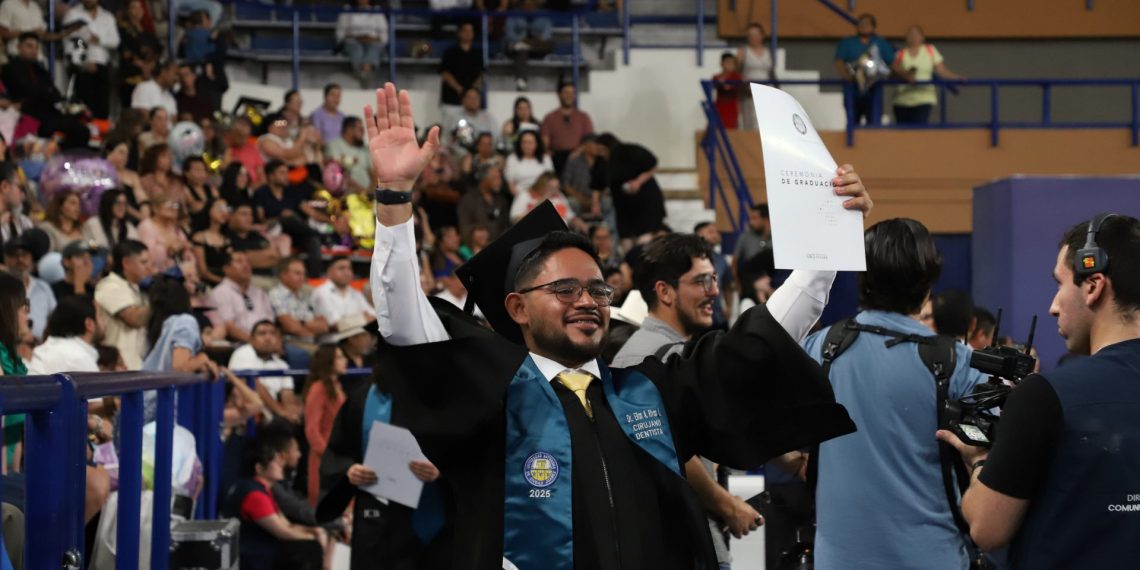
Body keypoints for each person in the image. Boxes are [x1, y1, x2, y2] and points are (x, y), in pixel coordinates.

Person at [361, 82, 854, 568]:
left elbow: (757, 343)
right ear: (517, 308)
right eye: (564, 289)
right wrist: (395, 197)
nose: (587, 302)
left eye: (597, 290)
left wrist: (826, 236)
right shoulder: (490, 398)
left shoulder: (648, 393)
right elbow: (406, 327)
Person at [937, 214, 1140, 569]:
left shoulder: (1045, 395)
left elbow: (987, 529)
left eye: (1060, 284)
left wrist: (980, 459)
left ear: (1093, 285)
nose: (1053, 306)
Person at [801, 218, 986, 570]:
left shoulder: (820, 348)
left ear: (861, 275)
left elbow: (765, 426)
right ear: (928, 282)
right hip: (933, 557)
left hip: (840, 560)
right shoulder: (959, 363)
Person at [224, 429, 326, 570]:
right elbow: (283, 532)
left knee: (311, 547)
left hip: (263, 551)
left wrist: (314, 530)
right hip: (252, 556)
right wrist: (312, 537)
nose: (281, 465)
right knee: (309, 549)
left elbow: (286, 525)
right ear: (259, 468)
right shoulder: (254, 495)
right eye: (275, 461)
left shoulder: (264, 490)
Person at [0, 33, 89, 149]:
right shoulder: (10, 68)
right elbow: (28, 89)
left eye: (36, 47)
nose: (33, 50)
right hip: (28, 112)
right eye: (29, 46)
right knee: (49, 127)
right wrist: (46, 92)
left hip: (48, 111)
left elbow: (54, 93)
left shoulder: (40, 70)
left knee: (82, 130)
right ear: (19, 47)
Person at [252, 160, 323, 277]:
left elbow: (311, 212)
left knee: (313, 240)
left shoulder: (291, 191)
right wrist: (280, 217)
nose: (286, 176)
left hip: (295, 232)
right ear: (271, 176)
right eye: (282, 173)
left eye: (286, 172)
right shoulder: (261, 193)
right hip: (273, 230)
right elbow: (261, 219)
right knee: (288, 218)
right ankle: (320, 235)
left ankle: (314, 277)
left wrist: (333, 222)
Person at [596, 132, 667, 249]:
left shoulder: (631, 151)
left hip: (644, 201)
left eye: (602, 149)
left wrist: (638, 182)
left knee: (644, 237)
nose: (601, 153)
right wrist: (596, 202)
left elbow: (652, 164)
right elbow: (598, 184)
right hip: (623, 205)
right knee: (626, 239)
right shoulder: (602, 161)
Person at [228, 320, 302, 425]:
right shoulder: (243, 353)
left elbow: (287, 394)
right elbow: (254, 384)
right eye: (262, 333)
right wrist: (280, 411)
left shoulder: (282, 365)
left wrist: (290, 413)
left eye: (272, 333)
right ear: (251, 339)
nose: (268, 338)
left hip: (272, 415)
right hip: (248, 415)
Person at [94, 239, 151, 369]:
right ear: (126, 263)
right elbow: (133, 318)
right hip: (115, 369)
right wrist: (161, 301)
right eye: (143, 262)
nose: (149, 267)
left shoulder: (138, 289)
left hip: (136, 367)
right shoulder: (110, 286)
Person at [302, 344, 347, 505]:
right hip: (326, 457)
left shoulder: (337, 386)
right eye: (339, 357)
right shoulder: (319, 388)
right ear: (328, 361)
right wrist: (328, 455)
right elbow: (312, 430)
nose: (345, 360)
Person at [892, 25, 964, 125]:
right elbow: (893, 72)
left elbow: (942, 70)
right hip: (902, 99)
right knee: (903, 131)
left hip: (923, 98)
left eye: (916, 34)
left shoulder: (930, 50)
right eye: (910, 34)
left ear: (922, 37)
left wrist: (957, 78)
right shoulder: (900, 54)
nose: (913, 37)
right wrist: (905, 75)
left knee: (919, 128)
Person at [834, 13, 896, 126]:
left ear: (873, 27)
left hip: (874, 90)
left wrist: (899, 74)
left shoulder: (880, 43)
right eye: (861, 23)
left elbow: (892, 63)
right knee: (852, 123)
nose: (863, 26)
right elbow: (839, 62)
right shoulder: (847, 42)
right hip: (852, 89)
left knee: (873, 124)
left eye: (867, 24)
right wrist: (848, 77)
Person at [62, 0, 120, 120]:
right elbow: (68, 42)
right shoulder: (72, 14)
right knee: (84, 108)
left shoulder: (107, 17)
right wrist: (84, 63)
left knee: (103, 107)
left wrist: (100, 39)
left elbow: (115, 41)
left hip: (102, 65)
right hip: (82, 67)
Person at [209, 250, 275, 344]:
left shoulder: (260, 293)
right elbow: (230, 327)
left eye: (248, 261)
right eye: (239, 261)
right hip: (240, 343)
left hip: (268, 341)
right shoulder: (220, 293)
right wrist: (255, 343)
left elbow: (271, 322)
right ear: (226, 269)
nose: (246, 265)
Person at [25, 295, 102, 375]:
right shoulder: (79, 357)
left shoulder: (53, 347)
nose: (105, 322)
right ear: (89, 324)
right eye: (100, 316)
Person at [3, 229, 54, 341]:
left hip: (42, 345)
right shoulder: (2, 287)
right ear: (5, 259)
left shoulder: (43, 287)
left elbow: (54, 317)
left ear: (32, 258)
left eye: (24, 255)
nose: (20, 259)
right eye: (14, 255)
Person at [310, 256, 375, 343]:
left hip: (357, 341)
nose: (346, 272)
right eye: (341, 268)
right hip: (332, 342)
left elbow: (374, 317)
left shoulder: (356, 293)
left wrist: (352, 320)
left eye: (349, 268)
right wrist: (363, 318)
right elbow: (335, 325)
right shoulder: (321, 292)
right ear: (329, 272)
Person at [269, 257, 329, 348]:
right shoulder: (276, 295)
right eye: (297, 273)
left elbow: (324, 326)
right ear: (283, 275)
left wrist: (302, 324)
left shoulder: (304, 295)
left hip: (312, 342)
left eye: (303, 274)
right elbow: (292, 327)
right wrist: (310, 327)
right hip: (291, 343)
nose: (302, 278)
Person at [117, 0, 163, 110]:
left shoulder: (147, 33)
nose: (137, 10)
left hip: (149, 76)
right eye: (134, 7)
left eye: (140, 7)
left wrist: (151, 65)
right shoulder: (123, 30)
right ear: (128, 11)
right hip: (132, 76)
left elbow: (158, 50)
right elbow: (125, 52)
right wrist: (142, 65)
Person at [541, 83, 594, 174]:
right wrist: (546, 152)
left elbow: (589, 141)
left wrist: (577, 152)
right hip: (556, 159)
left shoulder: (583, 117)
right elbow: (544, 142)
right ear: (559, 95)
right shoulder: (549, 118)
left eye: (572, 93)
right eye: (566, 93)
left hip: (578, 157)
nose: (569, 96)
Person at [509, 171, 587, 231]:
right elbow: (515, 220)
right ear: (541, 186)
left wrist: (582, 225)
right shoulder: (525, 196)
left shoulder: (558, 195)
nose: (556, 191)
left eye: (557, 187)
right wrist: (542, 200)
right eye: (552, 188)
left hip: (560, 235)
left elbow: (570, 217)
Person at [137, 190, 192, 273]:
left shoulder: (174, 226)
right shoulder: (147, 226)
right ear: (155, 208)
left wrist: (185, 250)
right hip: (157, 273)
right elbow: (149, 257)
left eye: (175, 205)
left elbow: (186, 246)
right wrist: (169, 250)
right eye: (168, 204)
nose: (173, 208)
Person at [336, 0, 387, 88]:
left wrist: (370, 38)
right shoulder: (347, 9)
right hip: (353, 41)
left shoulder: (376, 10)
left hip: (372, 41)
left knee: (376, 47)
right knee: (356, 48)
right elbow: (340, 34)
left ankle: (366, 71)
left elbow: (384, 36)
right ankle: (362, 73)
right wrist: (358, 38)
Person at [736, 22, 777, 131]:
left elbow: (772, 73)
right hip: (749, 91)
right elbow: (737, 72)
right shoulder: (743, 51)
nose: (753, 38)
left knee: (765, 121)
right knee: (750, 122)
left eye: (756, 34)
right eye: (750, 35)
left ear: (762, 35)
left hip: (766, 91)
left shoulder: (768, 52)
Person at [505, 0, 553, 91]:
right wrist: (520, 39)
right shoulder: (514, 13)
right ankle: (521, 82)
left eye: (532, 3)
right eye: (527, 3)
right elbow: (509, 33)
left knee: (550, 43)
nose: (529, 6)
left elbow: (547, 34)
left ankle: (525, 45)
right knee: (521, 51)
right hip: (518, 45)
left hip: (537, 46)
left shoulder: (544, 14)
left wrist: (537, 40)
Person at [694, 221, 734, 329]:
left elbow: (727, 285)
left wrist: (729, 306)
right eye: (711, 232)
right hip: (697, 318)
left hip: (718, 316)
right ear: (699, 235)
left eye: (717, 232)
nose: (716, 235)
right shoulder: (691, 259)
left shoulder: (721, 259)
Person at [732, 203, 774, 307]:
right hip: (750, 285)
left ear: (766, 219)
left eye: (754, 218)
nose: (751, 222)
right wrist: (738, 285)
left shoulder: (777, 236)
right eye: (750, 218)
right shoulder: (745, 237)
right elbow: (734, 262)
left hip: (773, 284)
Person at [458, 164, 511, 243]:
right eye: (495, 178)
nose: (500, 182)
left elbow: (507, 224)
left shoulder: (501, 199)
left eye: (500, 178)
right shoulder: (468, 200)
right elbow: (465, 228)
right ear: (485, 179)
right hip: (480, 246)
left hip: (502, 243)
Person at [439, 21, 484, 111]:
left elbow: (481, 74)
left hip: (471, 103)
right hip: (451, 100)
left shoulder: (477, 54)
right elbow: (445, 73)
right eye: (465, 31)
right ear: (459, 33)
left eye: (470, 31)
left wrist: (471, 92)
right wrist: (459, 89)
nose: (468, 33)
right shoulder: (450, 52)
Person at [102, 138, 149, 221]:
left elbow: (142, 198)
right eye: (121, 152)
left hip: (135, 216)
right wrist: (139, 216)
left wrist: (145, 216)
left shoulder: (132, 175)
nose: (124, 157)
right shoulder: (101, 171)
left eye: (127, 155)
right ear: (109, 152)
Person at [324, 116, 373, 195]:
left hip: (368, 195)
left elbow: (373, 173)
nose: (363, 132)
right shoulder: (334, 146)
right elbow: (339, 175)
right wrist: (364, 191)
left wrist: (372, 191)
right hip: (347, 196)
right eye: (360, 128)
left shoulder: (364, 149)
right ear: (349, 129)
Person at [442, 87, 498, 155]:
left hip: (484, 154)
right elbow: (447, 139)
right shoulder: (454, 117)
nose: (473, 100)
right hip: (459, 154)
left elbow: (495, 137)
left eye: (475, 97)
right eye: (470, 97)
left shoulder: (488, 118)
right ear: (463, 99)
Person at [190, 198, 232, 285]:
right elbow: (203, 272)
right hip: (207, 283)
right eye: (220, 208)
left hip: (226, 281)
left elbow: (230, 265)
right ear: (209, 210)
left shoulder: (226, 239)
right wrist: (225, 283)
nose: (224, 212)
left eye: (226, 209)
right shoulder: (199, 237)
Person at [504, 129, 553, 197]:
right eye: (524, 142)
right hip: (521, 196)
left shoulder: (545, 158)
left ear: (537, 144)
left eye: (530, 142)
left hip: (544, 195)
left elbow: (551, 180)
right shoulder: (512, 159)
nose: (527, 145)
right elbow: (511, 185)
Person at [183, 156, 218, 228]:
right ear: (187, 173)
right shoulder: (185, 190)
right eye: (197, 170)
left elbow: (220, 205)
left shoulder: (211, 189)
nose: (201, 174)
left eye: (203, 170)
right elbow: (194, 208)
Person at [713, 52, 743, 129]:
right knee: (717, 128)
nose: (730, 65)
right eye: (728, 62)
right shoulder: (716, 77)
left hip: (732, 108)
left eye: (732, 63)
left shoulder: (736, 76)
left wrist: (723, 84)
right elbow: (715, 85)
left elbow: (729, 87)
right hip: (719, 107)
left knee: (731, 129)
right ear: (721, 63)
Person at [310, 84, 345, 150]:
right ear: (325, 96)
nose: (336, 99)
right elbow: (317, 138)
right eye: (333, 95)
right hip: (324, 151)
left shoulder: (342, 116)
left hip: (341, 152)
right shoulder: (317, 115)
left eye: (338, 96)